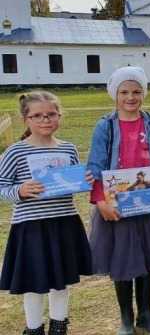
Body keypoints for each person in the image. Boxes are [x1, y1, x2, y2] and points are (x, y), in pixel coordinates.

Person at [87, 67, 150, 335]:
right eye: (124, 92)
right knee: (122, 261)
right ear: (115, 94)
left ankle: (146, 314)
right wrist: (100, 202)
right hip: (116, 206)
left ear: (143, 93)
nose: (131, 97)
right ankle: (126, 319)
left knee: (147, 259)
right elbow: (95, 166)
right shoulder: (104, 126)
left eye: (136, 91)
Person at [0, 92, 94, 335]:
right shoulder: (15, 152)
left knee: (61, 279)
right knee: (34, 282)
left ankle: (59, 325)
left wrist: (85, 181)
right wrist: (20, 190)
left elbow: (74, 182)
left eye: (51, 114)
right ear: (26, 120)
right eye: (37, 115)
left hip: (64, 222)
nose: (45, 120)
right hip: (31, 227)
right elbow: (2, 187)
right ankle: (33, 328)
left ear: (59, 116)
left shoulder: (68, 148)